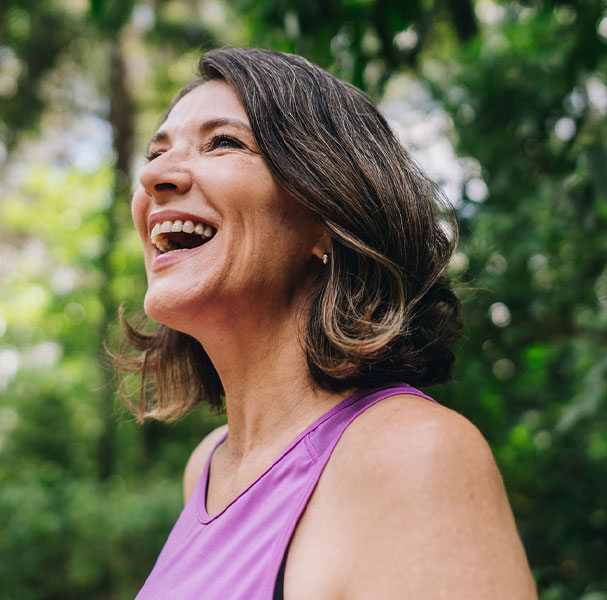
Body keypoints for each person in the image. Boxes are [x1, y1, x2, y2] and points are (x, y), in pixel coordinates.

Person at [119, 47, 536, 599]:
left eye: (223, 142)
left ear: (326, 216)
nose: (154, 175)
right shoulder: (209, 467)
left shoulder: (410, 455)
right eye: (157, 151)